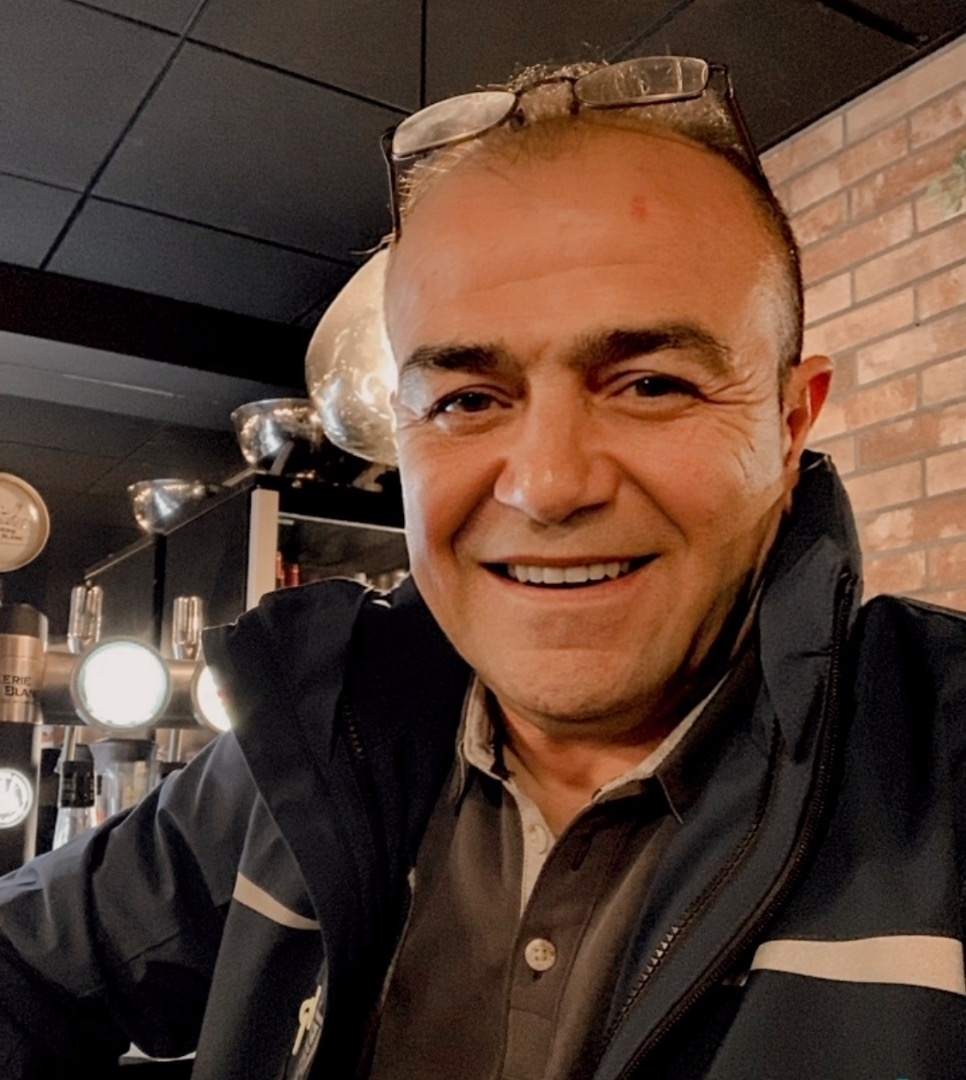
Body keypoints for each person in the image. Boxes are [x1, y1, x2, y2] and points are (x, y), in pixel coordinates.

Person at [0, 55, 963, 1080]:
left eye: (650, 384)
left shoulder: (939, 778)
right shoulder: (314, 751)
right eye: (466, 400)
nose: (548, 485)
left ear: (789, 423)